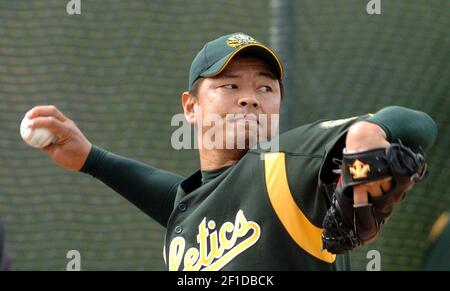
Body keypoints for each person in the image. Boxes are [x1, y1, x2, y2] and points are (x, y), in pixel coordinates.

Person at [24, 33, 437, 270]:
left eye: (265, 87)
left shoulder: (284, 165)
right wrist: (92, 159)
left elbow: (417, 124)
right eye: (230, 85)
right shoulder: (192, 209)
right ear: (190, 106)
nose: (250, 99)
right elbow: (185, 200)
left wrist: (371, 131)